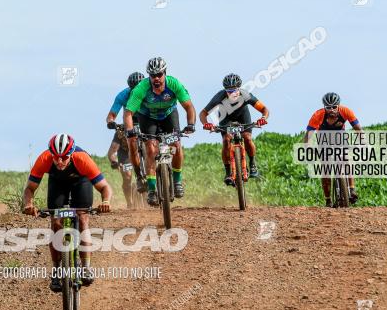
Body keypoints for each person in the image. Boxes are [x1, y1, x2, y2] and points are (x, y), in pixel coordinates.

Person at [23, 134, 112, 292]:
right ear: (51, 153)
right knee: (56, 223)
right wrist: (29, 204)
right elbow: (30, 188)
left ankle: (86, 268)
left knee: (83, 219)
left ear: (71, 154)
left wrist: (105, 202)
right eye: (56, 157)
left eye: (64, 157)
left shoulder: (82, 159)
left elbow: (105, 187)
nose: (59, 161)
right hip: (57, 183)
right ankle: (57, 271)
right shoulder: (44, 158)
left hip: (81, 181)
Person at [123, 57, 196, 206]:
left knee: (176, 144)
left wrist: (190, 124)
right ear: (148, 76)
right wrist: (130, 130)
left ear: (165, 73)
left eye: (159, 75)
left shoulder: (174, 84)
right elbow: (128, 113)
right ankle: (151, 190)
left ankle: (177, 181)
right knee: (150, 148)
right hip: (148, 117)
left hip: (169, 114)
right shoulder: (142, 88)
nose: (156, 78)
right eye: (152, 75)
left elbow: (189, 106)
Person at [200, 73, 269, 185]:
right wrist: (206, 124)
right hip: (225, 117)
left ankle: (252, 164)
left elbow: (264, 109)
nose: (233, 93)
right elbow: (203, 114)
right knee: (226, 140)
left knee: (247, 137)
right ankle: (228, 172)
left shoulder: (246, 95)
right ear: (225, 91)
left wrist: (263, 118)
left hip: (243, 116)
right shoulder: (219, 97)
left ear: (239, 88)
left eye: (235, 90)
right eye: (229, 91)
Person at [303, 92, 362, 205]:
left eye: (334, 107)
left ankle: (352, 189)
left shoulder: (345, 111)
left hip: (340, 136)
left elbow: (358, 129)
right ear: (324, 107)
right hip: (323, 138)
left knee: (345, 159)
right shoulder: (317, 115)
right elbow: (308, 135)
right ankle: (328, 199)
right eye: (328, 107)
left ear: (338, 106)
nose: (331, 110)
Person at [106, 71, 146, 203]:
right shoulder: (123, 95)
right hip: (128, 124)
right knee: (127, 176)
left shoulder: (150, 92)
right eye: (133, 88)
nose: (137, 91)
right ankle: (129, 202)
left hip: (146, 121)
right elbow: (111, 115)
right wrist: (111, 122)